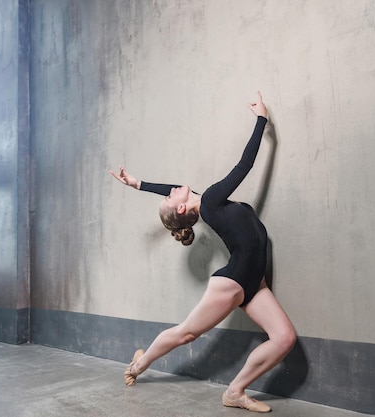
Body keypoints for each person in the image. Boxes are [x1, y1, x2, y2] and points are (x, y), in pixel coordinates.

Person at [109, 92, 296, 413]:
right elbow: (245, 164)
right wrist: (262, 120)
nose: (171, 189)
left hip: (255, 283)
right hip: (235, 280)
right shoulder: (210, 200)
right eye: (169, 196)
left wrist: (138, 184)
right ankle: (138, 366)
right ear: (182, 207)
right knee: (187, 333)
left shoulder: (208, 204)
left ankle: (236, 391)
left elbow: (171, 190)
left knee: (284, 338)